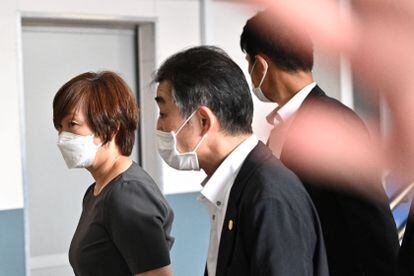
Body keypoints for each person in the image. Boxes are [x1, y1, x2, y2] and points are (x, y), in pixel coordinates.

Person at [240, 10, 399, 276]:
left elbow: (370, 222)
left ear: (261, 64)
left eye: (248, 62)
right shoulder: (281, 127)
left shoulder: (332, 122)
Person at [153, 46, 328, 276]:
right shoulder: (236, 187)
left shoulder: (269, 197)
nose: (159, 127)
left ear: (204, 121)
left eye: (164, 114)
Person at [53, 71, 174, 276]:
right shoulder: (97, 191)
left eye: (72, 125)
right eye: (59, 127)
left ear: (110, 127)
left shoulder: (128, 194)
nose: (63, 137)